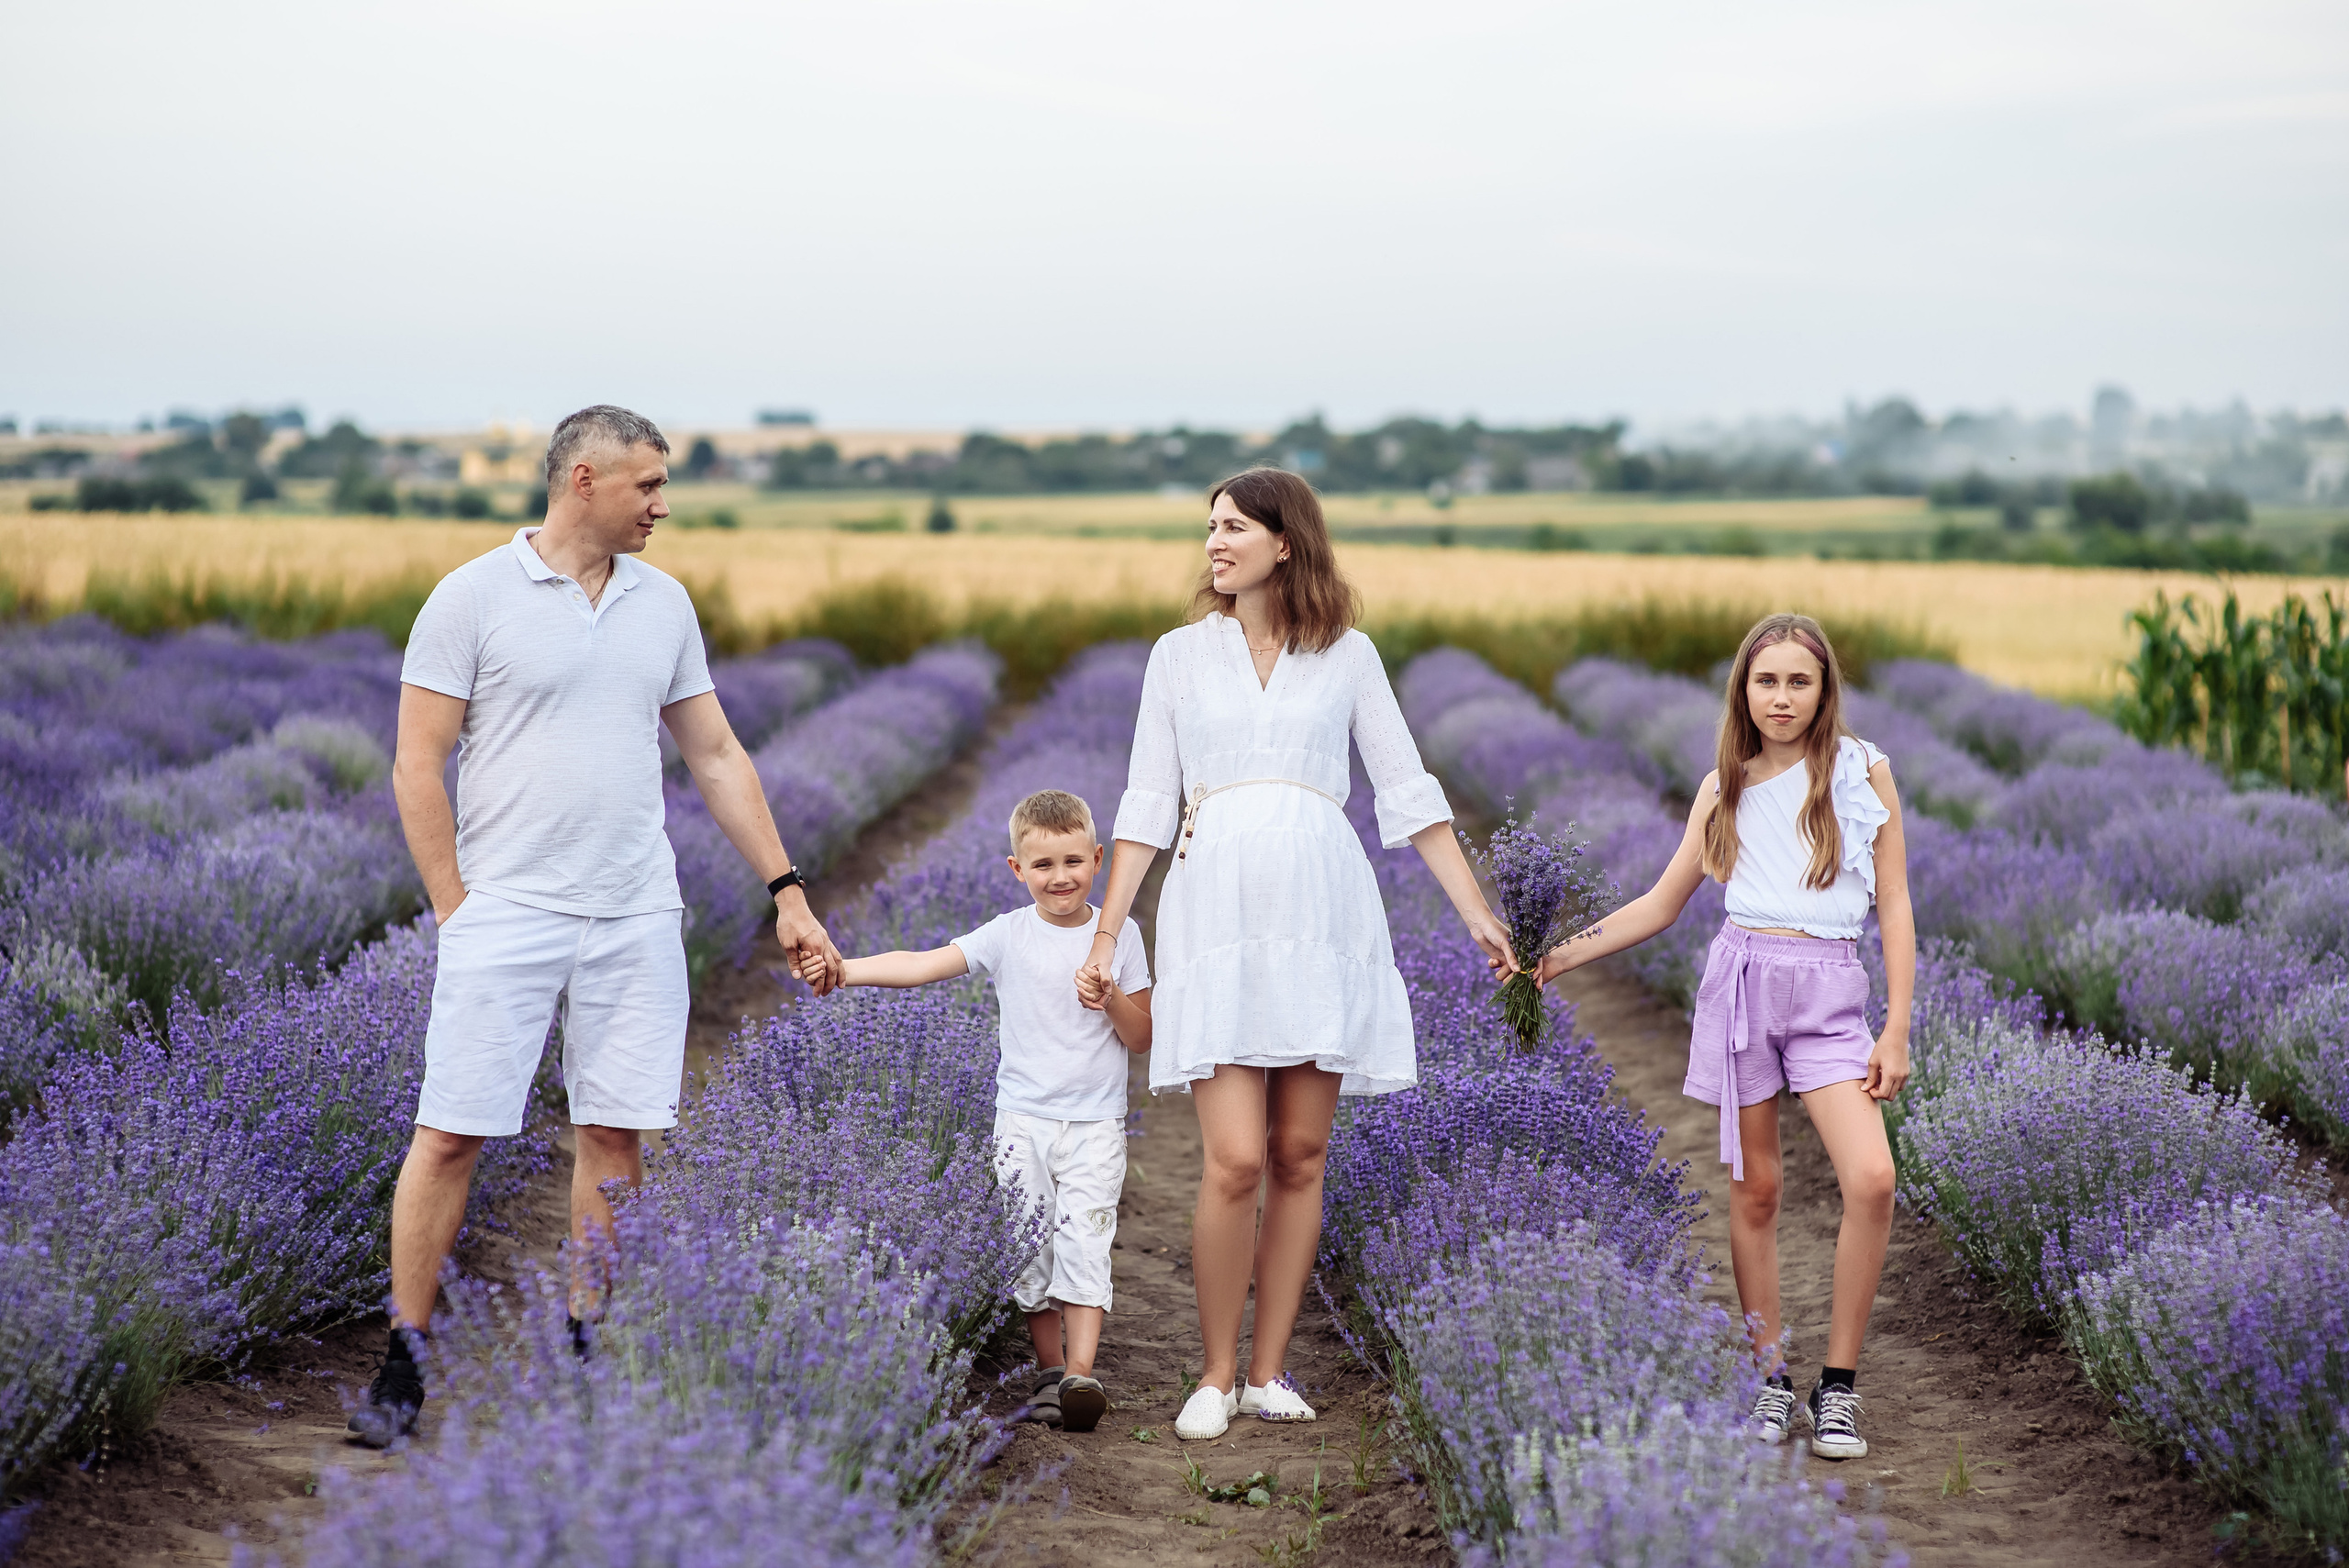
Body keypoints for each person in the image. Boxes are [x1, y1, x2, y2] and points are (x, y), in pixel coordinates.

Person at [348, 404, 841, 1447]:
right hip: (507, 911)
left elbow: (716, 754)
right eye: (647, 484)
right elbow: (416, 761)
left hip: (633, 911)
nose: (662, 504)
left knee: (614, 1132)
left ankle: (586, 1349)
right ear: (584, 479)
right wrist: (455, 906)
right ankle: (404, 1358)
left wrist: (787, 889)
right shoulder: (471, 596)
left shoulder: (664, 604)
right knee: (451, 1131)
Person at [1082, 468, 1515, 1443]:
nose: (1214, 541)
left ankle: (1267, 1371)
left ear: (1286, 542)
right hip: (1217, 911)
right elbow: (1145, 802)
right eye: (1209, 526)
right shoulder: (1178, 656)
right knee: (1235, 1157)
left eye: (1233, 526)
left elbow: (1406, 789)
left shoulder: (1347, 654)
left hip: (1323, 910)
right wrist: (1108, 933)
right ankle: (1213, 1373)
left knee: (1299, 1154)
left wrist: (1477, 912)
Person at [1535, 612, 1912, 1461]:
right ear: (1743, 689)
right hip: (1744, 986)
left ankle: (1838, 1387)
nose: (1782, 697)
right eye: (1766, 680)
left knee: (1873, 1177)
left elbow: (1893, 900)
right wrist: (1554, 957)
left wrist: (1895, 1027)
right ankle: (1769, 1378)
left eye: (1799, 681)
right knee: (1758, 1190)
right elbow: (1660, 904)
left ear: (1825, 690)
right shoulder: (1725, 786)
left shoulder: (1863, 771)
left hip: (1830, 996)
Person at [839, 788, 1152, 1435]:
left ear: (1098, 859)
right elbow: (924, 963)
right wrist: (846, 970)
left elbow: (1142, 1035)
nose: (1060, 876)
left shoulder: (1121, 936)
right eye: (1043, 865)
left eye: (1074, 861)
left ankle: (1080, 1377)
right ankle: (1048, 1370)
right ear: (1017, 869)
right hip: (1022, 1122)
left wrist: (1110, 996)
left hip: (1095, 1123)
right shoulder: (1008, 934)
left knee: (1086, 1241)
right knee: (1028, 1247)